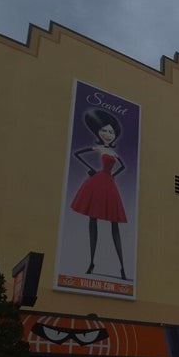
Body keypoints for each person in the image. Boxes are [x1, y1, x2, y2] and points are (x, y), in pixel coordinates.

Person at [70, 108, 129, 280]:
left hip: (109, 183)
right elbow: (77, 154)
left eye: (111, 132)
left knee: (114, 222)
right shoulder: (99, 148)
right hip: (98, 182)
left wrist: (113, 175)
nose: (108, 135)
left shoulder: (113, 152)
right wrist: (92, 170)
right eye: (104, 131)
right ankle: (91, 262)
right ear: (97, 132)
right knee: (93, 219)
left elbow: (123, 167)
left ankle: (122, 267)